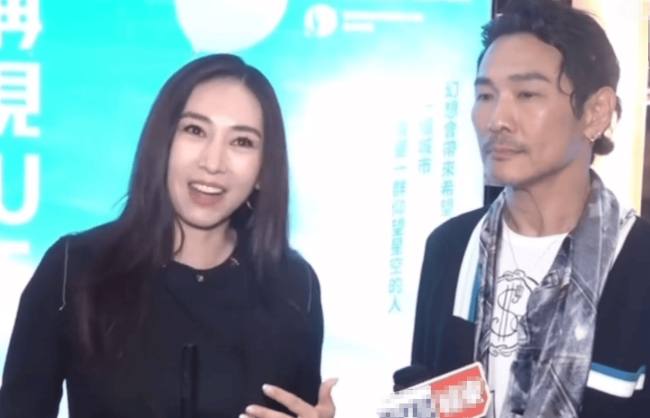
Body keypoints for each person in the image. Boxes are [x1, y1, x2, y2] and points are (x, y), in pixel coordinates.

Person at [0, 54, 336, 418]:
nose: (213, 163)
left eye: (241, 142)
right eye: (195, 131)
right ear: (162, 142)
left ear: (263, 170)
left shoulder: (294, 286)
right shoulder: (74, 269)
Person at [410, 0, 650, 417]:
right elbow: (436, 402)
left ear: (596, 112)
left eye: (527, 94)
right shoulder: (451, 248)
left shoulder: (638, 264)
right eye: (485, 95)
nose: (496, 119)